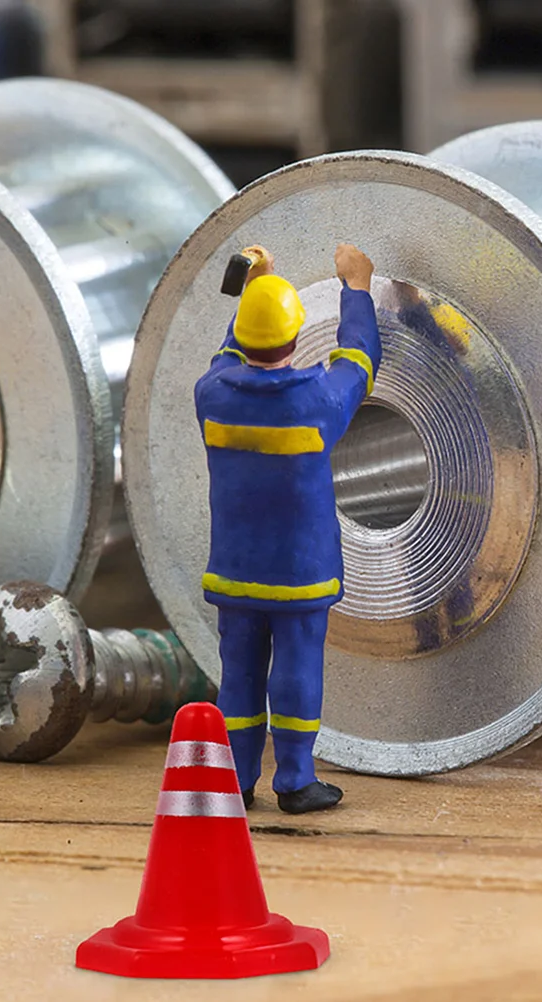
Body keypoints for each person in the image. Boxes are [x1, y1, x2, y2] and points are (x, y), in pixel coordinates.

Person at [195, 243, 380, 813]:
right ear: (299, 338)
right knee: (297, 669)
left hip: (236, 570)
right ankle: (296, 781)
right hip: (300, 572)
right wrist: (357, 289)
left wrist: (257, 286)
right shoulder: (318, 399)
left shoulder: (212, 394)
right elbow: (360, 358)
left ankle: (238, 779)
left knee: (239, 676)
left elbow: (229, 350)